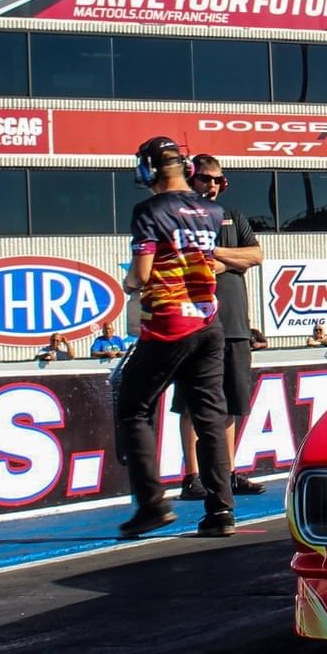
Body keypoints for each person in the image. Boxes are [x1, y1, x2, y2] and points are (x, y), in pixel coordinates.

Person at [112, 136, 233, 539]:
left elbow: (142, 273)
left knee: (133, 407)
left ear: (148, 169)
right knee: (210, 417)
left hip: (168, 322)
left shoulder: (148, 210)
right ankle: (221, 510)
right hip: (207, 322)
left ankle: (151, 504)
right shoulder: (213, 210)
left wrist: (127, 284)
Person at [174, 155, 268, 503]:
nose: (210, 185)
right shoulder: (178, 217)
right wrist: (232, 260)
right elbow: (187, 261)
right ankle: (192, 476)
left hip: (235, 327)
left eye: (216, 180)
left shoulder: (233, 216)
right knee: (191, 404)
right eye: (204, 179)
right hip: (193, 325)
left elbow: (256, 256)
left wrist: (217, 256)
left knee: (230, 403)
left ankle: (225, 475)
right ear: (191, 179)